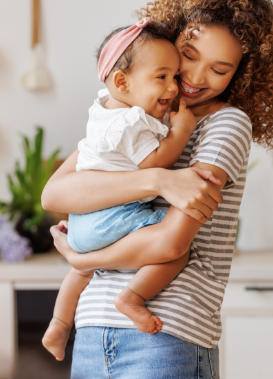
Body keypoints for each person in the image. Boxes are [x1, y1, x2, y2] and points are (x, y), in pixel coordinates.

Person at [43, 0, 273, 378]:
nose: (196, 79)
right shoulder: (135, 116)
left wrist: (81, 257)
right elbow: (55, 195)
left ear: (241, 74)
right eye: (189, 56)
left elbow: (169, 243)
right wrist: (159, 179)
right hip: (92, 331)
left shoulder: (226, 124)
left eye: (220, 70)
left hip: (166, 335)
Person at [42, 19, 199, 361]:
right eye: (162, 77)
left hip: (83, 222)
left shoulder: (103, 110)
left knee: (81, 269)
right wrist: (181, 131)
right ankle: (133, 297)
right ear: (121, 81)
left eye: (175, 77)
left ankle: (58, 323)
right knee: (178, 247)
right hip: (112, 216)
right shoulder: (131, 121)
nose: (173, 88)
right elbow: (155, 162)